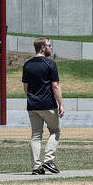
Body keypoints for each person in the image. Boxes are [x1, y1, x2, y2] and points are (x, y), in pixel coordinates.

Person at [22, 37, 63, 175]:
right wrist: (61, 104)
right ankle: (49, 160)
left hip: (32, 105)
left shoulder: (27, 65)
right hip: (48, 104)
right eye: (49, 46)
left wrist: (32, 100)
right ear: (42, 48)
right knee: (55, 131)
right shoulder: (50, 63)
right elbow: (55, 86)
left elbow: (26, 88)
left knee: (35, 136)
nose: (51, 48)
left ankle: (36, 167)